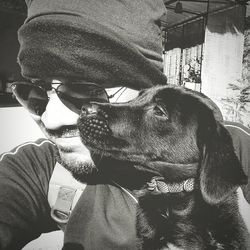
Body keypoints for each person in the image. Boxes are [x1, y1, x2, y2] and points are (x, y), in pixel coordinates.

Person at [0, 1, 249, 250]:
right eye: (35, 93)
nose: (50, 120)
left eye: (86, 90)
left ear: (145, 90)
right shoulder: (39, 168)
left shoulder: (230, 147)